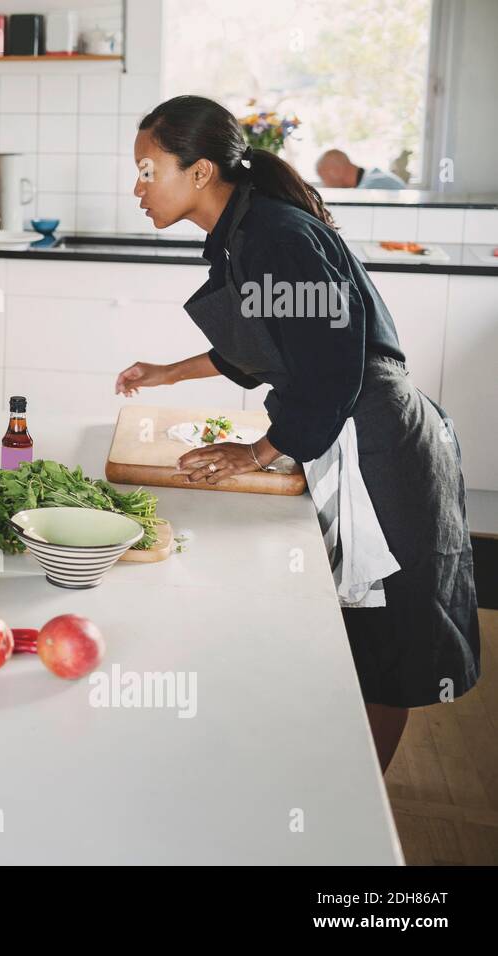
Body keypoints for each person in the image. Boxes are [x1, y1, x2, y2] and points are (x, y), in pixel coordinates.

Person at [117, 95, 479, 773]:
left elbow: (330, 365)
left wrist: (254, 451)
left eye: (147, 170)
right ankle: (329, 781)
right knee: (346, 628)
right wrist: (170, 373)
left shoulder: (277, 236)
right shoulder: (243, 232)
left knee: (383, 648)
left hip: (377, 447)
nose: (136, 188)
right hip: (346, 429)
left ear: (198, 173)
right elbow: (269, 340)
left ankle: (361, 819)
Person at [316, 149, 407, 190]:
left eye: (323, 178)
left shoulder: (373, 187)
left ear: (336, 171)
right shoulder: (373, 177)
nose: (325, 185)